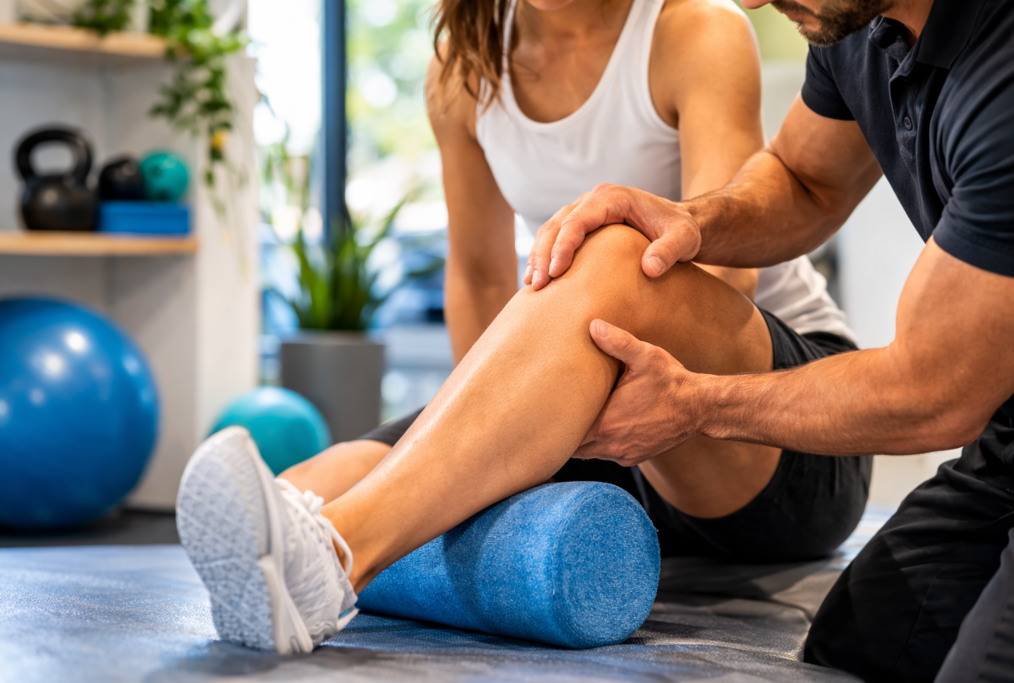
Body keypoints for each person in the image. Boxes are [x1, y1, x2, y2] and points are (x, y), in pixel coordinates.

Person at [175, 0, 872, 664]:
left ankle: (332, 558)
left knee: (616, 250)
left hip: (764, 422)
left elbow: (726, 274)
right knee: (310, 486)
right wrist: (474, 453)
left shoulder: (693, 29)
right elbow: (477, 275)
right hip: (608, 417)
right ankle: (300, 547)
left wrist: (522, 432)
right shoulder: (466, 65)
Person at [514, 0, 1014, 679]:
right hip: (1004, 441)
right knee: (856, 647)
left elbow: (934, 390)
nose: (749, 1)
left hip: (945, 405)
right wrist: (692, 221)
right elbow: (806, 180)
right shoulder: (854, 23)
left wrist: (698, 405)